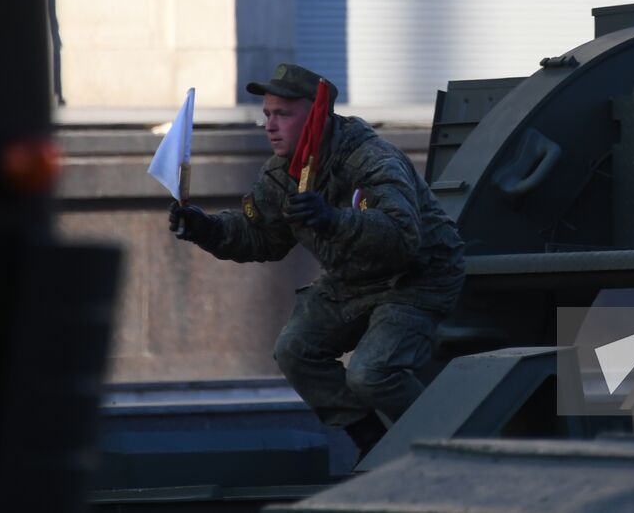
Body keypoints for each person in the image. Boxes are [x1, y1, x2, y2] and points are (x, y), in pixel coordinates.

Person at [167, 63, 466, 459]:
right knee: (296, 350)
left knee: (371, 373)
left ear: (315, 117)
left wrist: (333, 218)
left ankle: (441, 452)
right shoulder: (282, 174)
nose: (269, 126)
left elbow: (401, 237)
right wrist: (205, 228)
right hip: (353, 279)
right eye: (267, 115)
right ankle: (372, 443)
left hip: (414, 279)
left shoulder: (371, 160)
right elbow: (264, 238)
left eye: (282, 115)